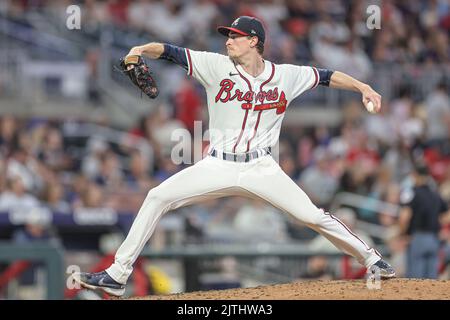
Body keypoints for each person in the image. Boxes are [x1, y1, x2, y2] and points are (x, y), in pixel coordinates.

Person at [75, 16, 395, 297]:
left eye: (235, 36)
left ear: (254, 41)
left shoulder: (286, 75)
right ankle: (117, 275)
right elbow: (170, 51)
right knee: (158, 196)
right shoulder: (215, 66)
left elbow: (326, 76)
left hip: (261, 166)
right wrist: (141, 50)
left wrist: (362, 86)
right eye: (227, 36)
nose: (228, 41)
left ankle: (372, 259)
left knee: (311, 216)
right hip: (219, 164)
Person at [399, 162, 449, 278]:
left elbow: (404, 216)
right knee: (431, 281)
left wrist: (402, 234)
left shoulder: (410, 192)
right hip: (434, 239)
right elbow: (447, 214)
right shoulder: (435, 194)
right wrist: (436, 223)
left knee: (415, 280)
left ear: (415, 175)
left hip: (417, 238)